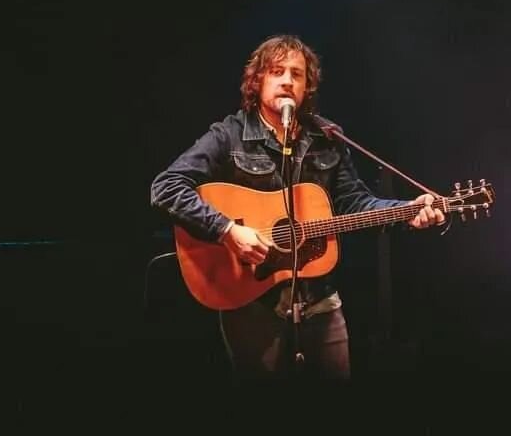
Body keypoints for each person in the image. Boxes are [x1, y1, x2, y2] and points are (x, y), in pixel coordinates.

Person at [149, 34, 445, 384]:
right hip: (252, 304)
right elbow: (166, 187)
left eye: (297, 74)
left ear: (307, 87)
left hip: (321, 303)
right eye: (277, 71)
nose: (288, 80)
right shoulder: (229, 135)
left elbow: (356, 204)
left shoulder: (327, 139)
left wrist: (409, 210)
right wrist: (227, 230)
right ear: (257, 81)